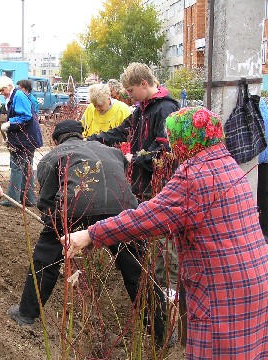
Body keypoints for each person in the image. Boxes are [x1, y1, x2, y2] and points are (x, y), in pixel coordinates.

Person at [63, 107, 268, 359]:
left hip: (220, 289)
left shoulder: (195, 175)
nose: (170, 146)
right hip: (254, 278)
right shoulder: (228, 164)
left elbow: (147, 218)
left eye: (173, 139)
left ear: (185, 140)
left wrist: (92, 234)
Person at [8, 120, 168, 344]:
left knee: (46, 258)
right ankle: (160, 331)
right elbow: (119, 177)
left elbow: (45, 199)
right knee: (136, 267)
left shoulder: (52, 156)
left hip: (74, 206)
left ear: (56, 140)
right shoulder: (112, 151)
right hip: (122, 207)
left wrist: (52, 223)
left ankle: (26, 313)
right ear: (81, 135)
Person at [89, 63, 180, 292]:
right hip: (143, 181)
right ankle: (151, 281)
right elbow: (123, 130)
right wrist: (95, 139)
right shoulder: (142, 109)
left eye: (130, 91)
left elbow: (164, 148)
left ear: (143, 84)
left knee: (163, 235)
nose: (128, 97)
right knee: (147, 231)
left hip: (159, 181)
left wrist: (135, 159)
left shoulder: (165, 108)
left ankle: (168, 288)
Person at [0, 76, 43, 207]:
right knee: (26, 167)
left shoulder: (18, 96)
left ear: (9, 86)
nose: (1, 93)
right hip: (28, 138)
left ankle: (13, 199)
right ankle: (28, 199)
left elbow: (26, 116)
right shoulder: (15, 96)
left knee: (17, 167)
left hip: (24, 139)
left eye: (2, 90)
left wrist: (10, 123)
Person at [257, 98, 268, 244]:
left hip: (260, 162)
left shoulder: (256, 114)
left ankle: (263, 231)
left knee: (261, 197)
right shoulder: (265, 111)